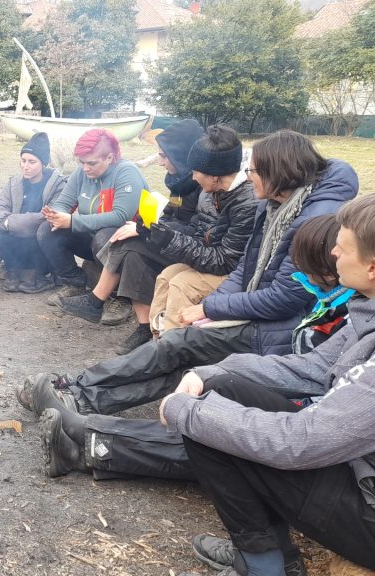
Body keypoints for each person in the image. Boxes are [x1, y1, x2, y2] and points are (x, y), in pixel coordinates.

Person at [19, 130, 358, 418]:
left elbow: (283, 297)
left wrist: (212, 308)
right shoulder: (276, 206)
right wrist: (215, 305)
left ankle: (76, 389)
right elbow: (246, 268)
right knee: (179, 349)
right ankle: (80, 396)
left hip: (271, 332)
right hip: (256, 314)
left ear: (277, 174)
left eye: (254, 170)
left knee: (179, 348)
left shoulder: (304, 220)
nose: (248, 175)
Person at [31, 215, 355, 489]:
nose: (300, 276)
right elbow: (308, 365)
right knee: (193, 375)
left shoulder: (348, 315)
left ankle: (88, 437)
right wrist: (216, 366)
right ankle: (83, 423)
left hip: (311, 423)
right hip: (286, 379)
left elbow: (317, 399)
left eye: (341, 253)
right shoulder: (341, 305)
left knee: (217, 431)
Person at [159, 194, 375, 576]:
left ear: (372, 268)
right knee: (221, 390)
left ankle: (264, 566)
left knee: (204, 419)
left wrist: (184, 412)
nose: (334, 252)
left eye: (342, 247)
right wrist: (209, 372)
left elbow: (301, 442)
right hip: (357, 472)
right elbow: (311, 368)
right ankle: (270, 557)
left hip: (367, 513)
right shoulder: (366, 312)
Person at [57, 125, 259, 355]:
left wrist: (162, 236)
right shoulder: (208, 190)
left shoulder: (243, 202)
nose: (192, 177)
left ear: (213, 173)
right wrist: (154, 230)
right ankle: (151, 331)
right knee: (136, 251)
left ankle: (166, 348)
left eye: (196, 171)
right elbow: (193, 228)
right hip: (199, 251)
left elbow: (224, 260)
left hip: (220, 267)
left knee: (146, 256)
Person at [39, 129, 149, 324]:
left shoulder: (126, 172)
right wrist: (55, 215)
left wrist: (73, 221)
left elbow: (120, 216)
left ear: (110, 157)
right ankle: (75, 283)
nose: (85, 168)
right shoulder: (82, 173)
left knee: (106, 236)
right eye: (81, 162)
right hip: (94, 240)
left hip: (128, 245)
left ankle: (120, 298)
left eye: (91, 163)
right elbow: (64, 203)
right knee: (47, 231)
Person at [0, 132, 67, 294]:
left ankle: (39, 275)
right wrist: (7, 223)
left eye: (32, 162)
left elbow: (48, 216)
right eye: (23, 161)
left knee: (42, 230)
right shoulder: (14, 183)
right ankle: (13, 272)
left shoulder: (58, 184)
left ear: (43, 163)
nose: (26, 166)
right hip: (16, 241)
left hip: (40, 242)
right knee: (5, 232)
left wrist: (10, 221)